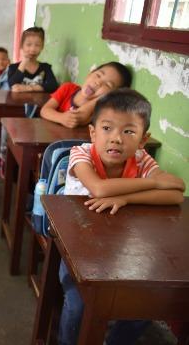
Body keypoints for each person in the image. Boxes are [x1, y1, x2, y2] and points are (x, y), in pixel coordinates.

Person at [59, 89, 185, 345]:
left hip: (126, 249)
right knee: (78, 306)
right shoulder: (81, 154)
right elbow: (99, 189)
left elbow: (176, 194)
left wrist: (126, 198)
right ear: (93, 132)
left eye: (128, 131)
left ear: (143, 139)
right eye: (107, 128)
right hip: (78, 248)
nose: (116, 138)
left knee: (144, 306)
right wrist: (156, 185)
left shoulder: (141, 159)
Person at [40, 62, 132, 128]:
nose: (98, 82)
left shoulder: (101, 109)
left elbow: (78, 117)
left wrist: (100, 99)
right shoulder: (68, 88)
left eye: (108, 85)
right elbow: (44, 110)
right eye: (98, 75)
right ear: (89, 74)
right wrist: (61, 118)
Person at [7, 27, 58, 93]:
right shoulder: (13, 67)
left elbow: (53, 86)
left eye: (37, 45)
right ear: (22, 46)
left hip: (41, 103)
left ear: (42, 47)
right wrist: (24, 62)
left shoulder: (45, 67)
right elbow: (12, 85)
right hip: (18, 103)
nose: (33, 49)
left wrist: (28, 88)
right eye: (28, 45)